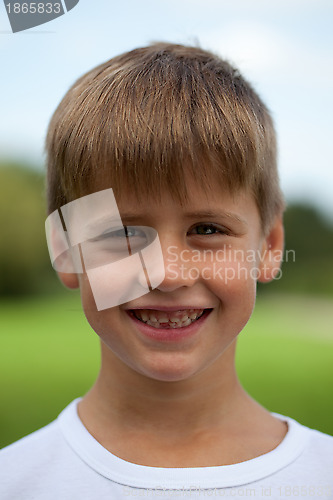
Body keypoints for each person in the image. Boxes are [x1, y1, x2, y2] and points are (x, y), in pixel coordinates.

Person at [0, 42, 332, 499]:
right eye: (121, 233)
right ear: (65, 249)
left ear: (270, 246)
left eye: (208, 228)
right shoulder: (15, 481)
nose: (167, 273)